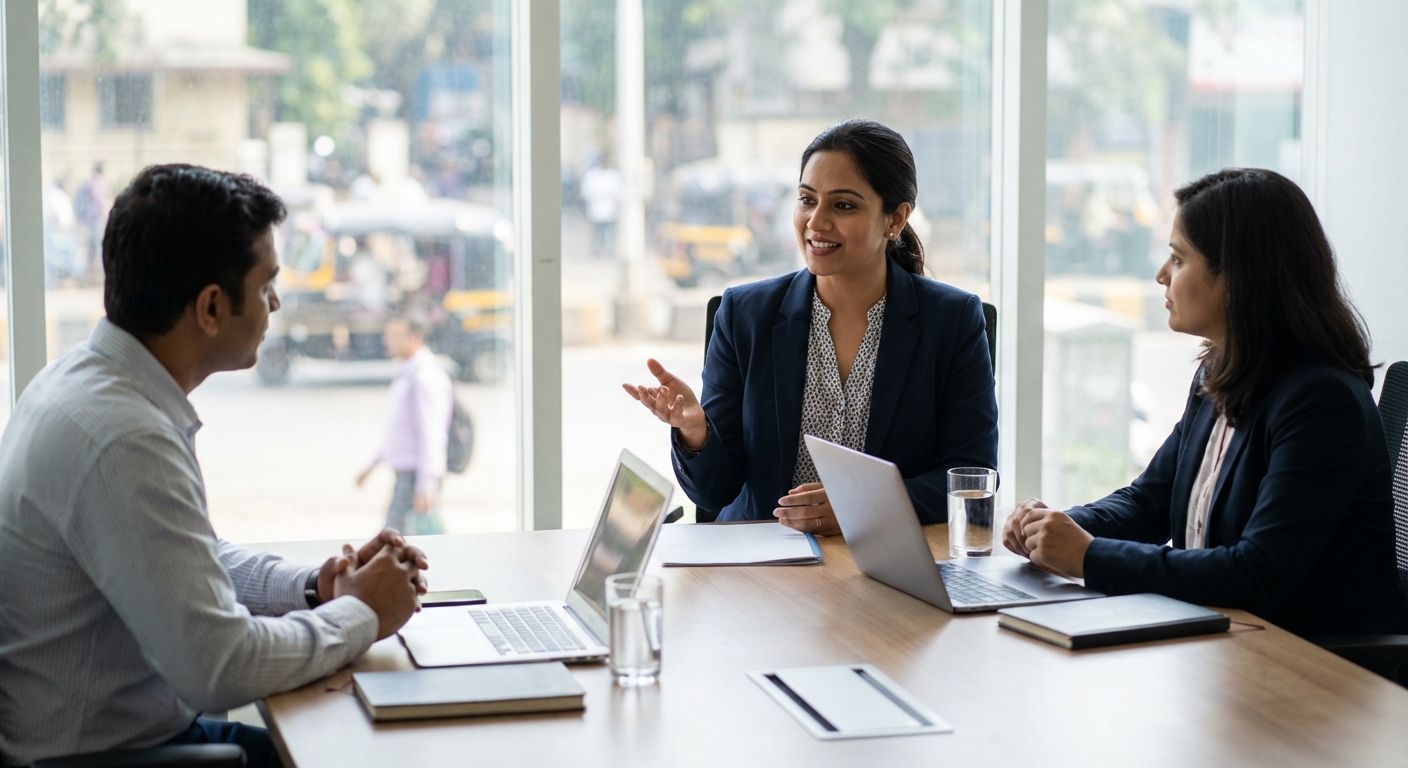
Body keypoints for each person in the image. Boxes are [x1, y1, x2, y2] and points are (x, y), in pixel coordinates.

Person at [0, 164, 430, 767]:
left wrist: (315, 588)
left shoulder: (87, 383)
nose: (276, 302)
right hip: (115, 755)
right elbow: (221, 665)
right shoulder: (123, 437)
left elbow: (187, 557)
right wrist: (361, 612)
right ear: (209, 307)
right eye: (265, 285)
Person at [1002, 168, 1408, 638]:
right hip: (1225, 643)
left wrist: (1088, 556)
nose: (1161, 275)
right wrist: (1054, 528)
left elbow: (1256, 572)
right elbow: (1149, 501)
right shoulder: (1220, 370)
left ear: (1237, 276)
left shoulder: (1322, 401)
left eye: (1177, 259)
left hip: (1309, 667)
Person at [623, 119, 998, 533]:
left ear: (895, 219)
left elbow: (973, 478)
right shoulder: (745, 314)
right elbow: (715, 494)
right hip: (761, 566)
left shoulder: (952, 320)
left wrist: (862, 506)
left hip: (884, 564)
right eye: (806, 199)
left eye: (843, 205)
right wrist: (697, 433)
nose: (816, 222)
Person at [357, 317, 454, 535]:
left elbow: (432, 433)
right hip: (405, 475)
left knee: (396, 543)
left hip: (415, 475)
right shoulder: (407, 373)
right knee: (399, 543)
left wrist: (426, 486)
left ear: (415, 338)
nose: (387, 340)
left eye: (395, 335)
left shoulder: (425, 376)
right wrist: (372, 466)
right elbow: (399, 430)